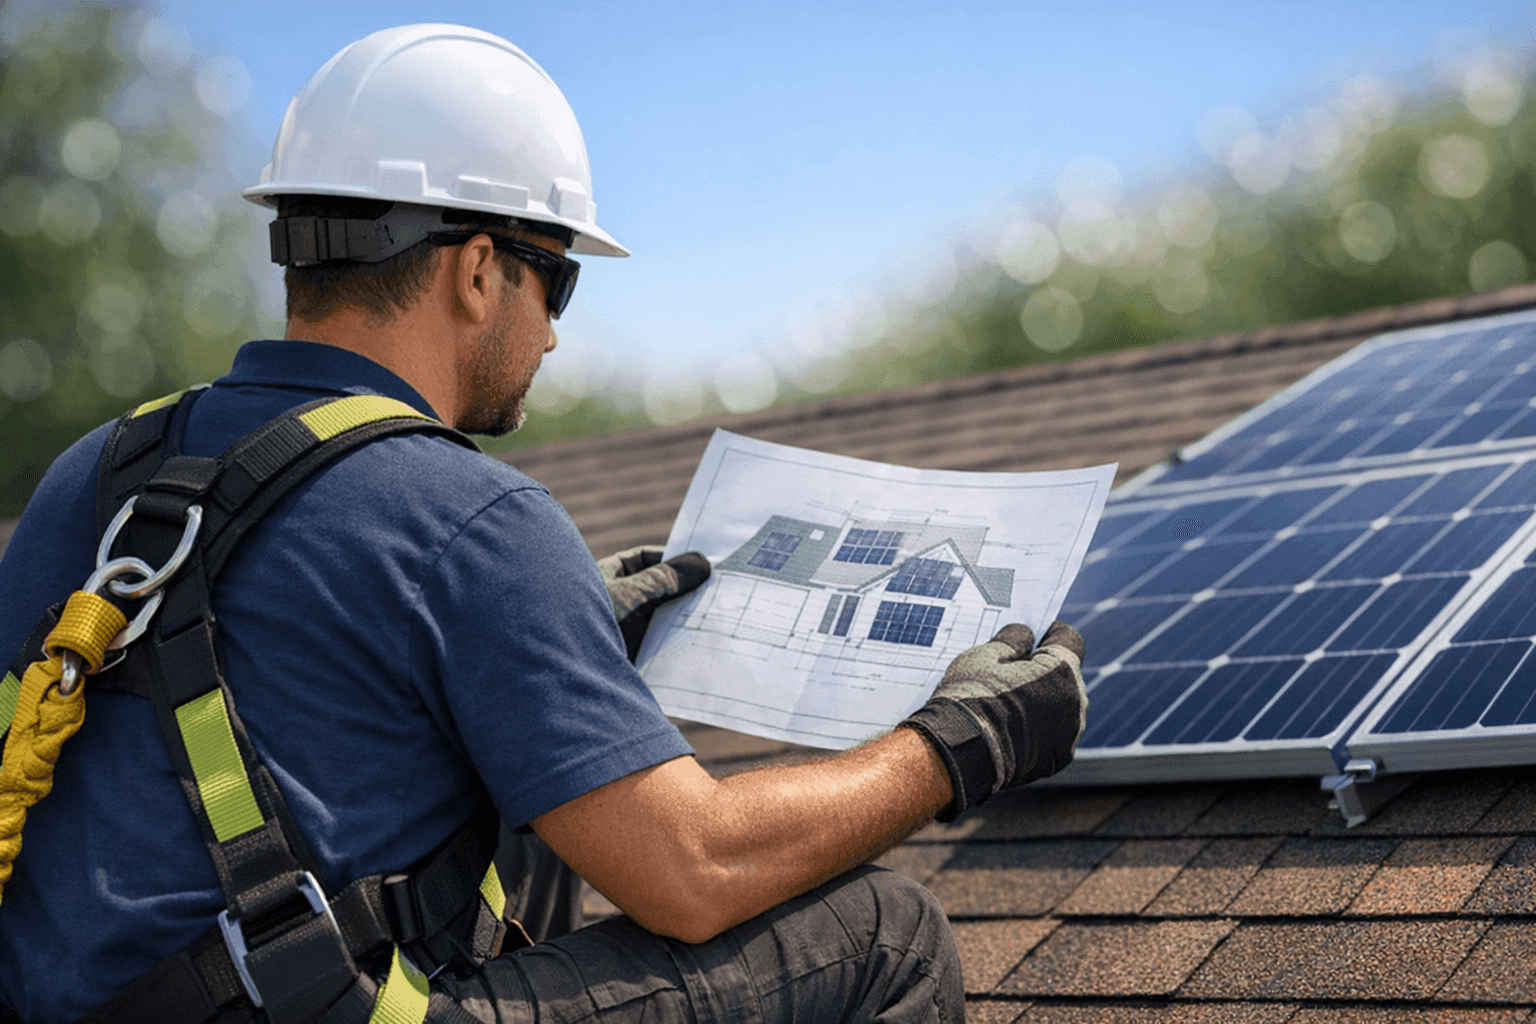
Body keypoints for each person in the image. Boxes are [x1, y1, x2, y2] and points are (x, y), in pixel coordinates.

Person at [0, 24, 1088, 1024]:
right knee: (885, 933)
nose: (556, 335)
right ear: (479, 270)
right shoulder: (468, 516)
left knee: (531, 808)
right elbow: (693, 869)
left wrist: (542, 651)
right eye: (556, 281)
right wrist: (958, 744)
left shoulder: (95, 471)